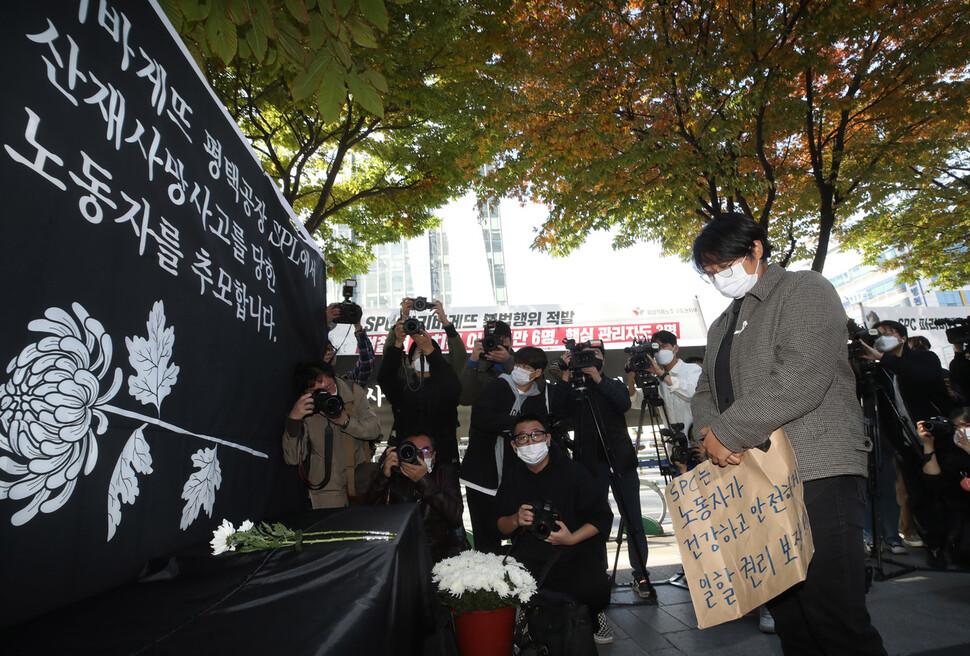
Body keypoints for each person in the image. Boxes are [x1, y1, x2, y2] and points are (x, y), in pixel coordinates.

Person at [689, 212, 885, 655]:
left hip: (816, 469)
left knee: (836, 620)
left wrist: (730, 431)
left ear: (756, 248)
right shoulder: (723, 322)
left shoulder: (803, 288)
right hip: (758, 479)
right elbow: (706, 388)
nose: (720, 277)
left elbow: (801, 373)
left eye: (725, 265)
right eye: (712, 272)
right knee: (792, 624)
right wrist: (710, 433)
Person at [550, 342, 657, 603]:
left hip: (621, 462)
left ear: (604, 361)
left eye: (595, 356)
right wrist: (565, 376)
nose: (589, 360)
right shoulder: (573, 387)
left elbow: (622, 403)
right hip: (589, 465)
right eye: (583, 357)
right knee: (595, 523)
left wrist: (597, 379)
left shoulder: (615, 384)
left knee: (633, 520)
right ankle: (598, 573)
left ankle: (641, 574)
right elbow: (557, 411)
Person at [494, 415, 614, 645]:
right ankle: (530, 617)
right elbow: (498, 526)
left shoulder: (574, 472)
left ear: (548, 439)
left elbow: (602, 516)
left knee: (594, 587)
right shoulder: (512, 479)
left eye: (536, 435)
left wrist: (571, 539)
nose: (530, 442)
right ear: (514, 445)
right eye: (522, 438)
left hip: (574, 551)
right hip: (531, 555)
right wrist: (515, 519)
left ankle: (593, 613)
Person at [858, 319, 954, 565]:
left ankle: (958, 541)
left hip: (940, 440)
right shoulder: (880, 371)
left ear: (901, 337)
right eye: (878, 334)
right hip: (907, 445)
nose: (882, 337)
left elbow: (922, 376)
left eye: (887, 332)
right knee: (918, 496)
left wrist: (883, 359)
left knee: (949, 492)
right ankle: (935, 547)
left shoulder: (924, 358)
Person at [463, 347, 549, 554]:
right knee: (485, 539)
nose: (519, 370)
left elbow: (538, 430)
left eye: (526, 367)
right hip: (481, 478)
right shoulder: (497, 386)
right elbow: (481, 419)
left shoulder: (538, 399)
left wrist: (509, 426)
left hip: (516, 479)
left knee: (521, 534)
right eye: (518, 364)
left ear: (537, 373)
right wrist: (516, 424)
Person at [282, 361, 382, 508]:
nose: (327, 394)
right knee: (333, 529)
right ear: (306, 393)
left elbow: (375, 430)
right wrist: (294, 420)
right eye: (318, 392)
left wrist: (345, 421)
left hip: (358, 480)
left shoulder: (353, 393)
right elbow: (292, 458)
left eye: (330, 386)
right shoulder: (306, 409)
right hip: (326, 487)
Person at [364, 432, 464, 563]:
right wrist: (384, 475)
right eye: (413, 450)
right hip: (400, 555)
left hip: (439, 556)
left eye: (426, 450)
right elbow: (367, 512)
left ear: (434, 456)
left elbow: (455, 515)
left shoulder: (444, 473)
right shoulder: (394, 475)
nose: (419, 455)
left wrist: (423, 480)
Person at [378, 320, 463, 468]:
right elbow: (385, 377)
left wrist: (430, 350)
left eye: (428, 354)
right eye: (419, 353)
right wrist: (398, 343)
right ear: (411, 363)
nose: (424, 357)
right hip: (408, 458)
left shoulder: (446, 387)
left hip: (443, 461)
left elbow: (453, 384)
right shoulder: (403, 389)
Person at [917, 408, 970, 568]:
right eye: (957, 427)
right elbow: (934, 481)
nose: (961, 431)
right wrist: (928, 444)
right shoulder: (951, 454)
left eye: (966, 425)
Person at [632, 330, 702, 436]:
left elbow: (691, 393)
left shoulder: (692, 369)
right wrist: (630, 375)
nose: (660, 351)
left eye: (664, 346)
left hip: (696, 442)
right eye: (657, 348)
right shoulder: (656, 379)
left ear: (676, 349)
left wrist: (663, 375)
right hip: (673, 445)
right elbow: (637, 402)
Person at [459, 320, 517, 405]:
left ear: (511, 343)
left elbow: (534, 389)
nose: (498, 344)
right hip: (485, 417)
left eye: (502, 340)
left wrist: (507, 362)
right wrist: (472, 363)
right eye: (493, 340)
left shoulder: (522, 362)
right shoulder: (478, 365)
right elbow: (464, 400)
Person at [324, 304, 376, 386]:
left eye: (331, 349)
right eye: (325, 350)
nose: (329, 353)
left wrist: (358, 328)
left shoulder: (344, 381)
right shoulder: (310, 380)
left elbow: (366, 364)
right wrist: (326, 323)